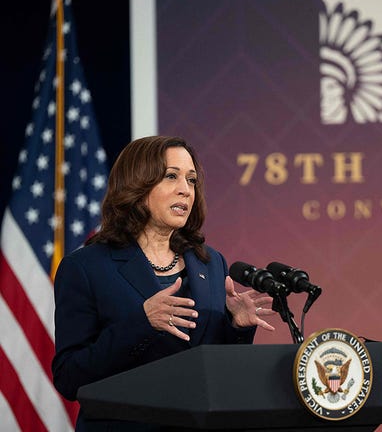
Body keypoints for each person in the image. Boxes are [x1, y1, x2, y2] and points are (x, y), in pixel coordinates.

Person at [52, 136, 276, 430]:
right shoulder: (86, 267)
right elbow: (70, 377)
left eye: (191, 180)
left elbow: (216, 372)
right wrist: (143, 324)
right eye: (171, 176)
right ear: (137, 185)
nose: (185, 190)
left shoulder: (210, 263)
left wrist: (237, 329)